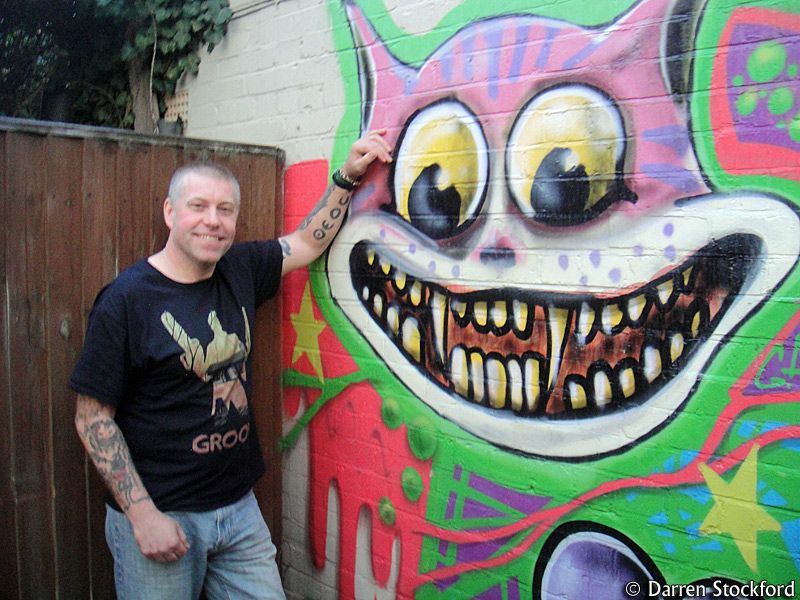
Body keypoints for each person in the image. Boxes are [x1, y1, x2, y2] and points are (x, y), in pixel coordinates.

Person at [70, 130, 392, 599]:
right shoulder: (126, 301)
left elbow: (307, 243)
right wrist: (142, 516)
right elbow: (92, 418)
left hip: (238, 512)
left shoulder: (240, 268)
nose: (212, 221)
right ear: (170, 213)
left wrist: (347, 176)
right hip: (163, 514)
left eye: (225, 210)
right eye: (198, 206)